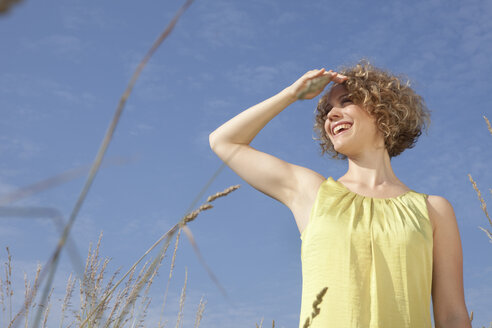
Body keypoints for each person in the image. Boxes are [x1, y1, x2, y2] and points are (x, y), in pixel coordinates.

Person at [208, 60, 471, 328]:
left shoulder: (434, 210)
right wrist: (292, 94)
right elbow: (225, 141)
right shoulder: (311, 192)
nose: (331, 115)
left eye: (346, 101)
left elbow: (452, 315)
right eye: (327, 111)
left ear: (384, 110)